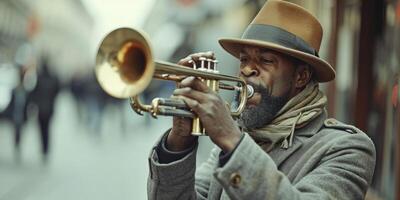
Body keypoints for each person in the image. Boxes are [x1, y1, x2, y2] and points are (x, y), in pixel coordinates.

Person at [147, 1, 376, 199]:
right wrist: (179, 140)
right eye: (244, 59)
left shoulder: (346, 149)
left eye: (265, 61)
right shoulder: (242, 137)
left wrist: (231, 139)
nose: (247, 69)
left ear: (301, 76)